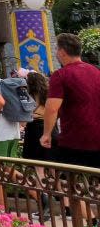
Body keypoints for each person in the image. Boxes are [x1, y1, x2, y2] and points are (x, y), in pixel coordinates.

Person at [42, 33, 100, 168]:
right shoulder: (96, 71)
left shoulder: (60, 75)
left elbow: (52, 108)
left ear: (62, 52)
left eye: (57, 49)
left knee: (69, 184)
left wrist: (46, 134)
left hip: (75, 140)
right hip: (97, 138)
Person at [22, 71, 51, 161]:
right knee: (51, 160)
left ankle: (40, 176)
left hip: (33, 127)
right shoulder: (49, 95)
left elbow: (24, 120)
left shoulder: (28, 97)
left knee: (37, 161)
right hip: (49, 126)